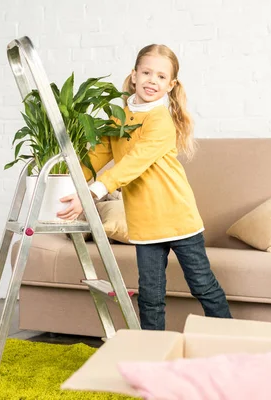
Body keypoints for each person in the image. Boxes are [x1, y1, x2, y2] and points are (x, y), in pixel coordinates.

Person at [57, 44, 232, 330]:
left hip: (179, 219)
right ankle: (152, 353)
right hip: (144, 224)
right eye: (147, 72)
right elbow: (96, 156)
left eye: (161, 77)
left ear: (171, 85)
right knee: (150, 296)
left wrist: (92, 191)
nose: (153, 80)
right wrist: (63, 178)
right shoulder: (118, 117)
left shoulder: (160, 120)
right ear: (134, 75)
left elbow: (133, 163)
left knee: (202, 286)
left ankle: (231, 340)